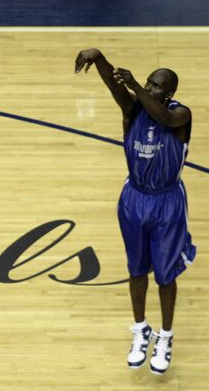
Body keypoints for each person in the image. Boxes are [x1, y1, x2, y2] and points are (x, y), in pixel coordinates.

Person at [75, 48, 196, 375]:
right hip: (134, 198)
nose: (148, 87)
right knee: (137, 269)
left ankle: (166, 336)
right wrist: (99, 58)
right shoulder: (133, 109)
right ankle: (141, 329)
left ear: (168, 93)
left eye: (155, 86)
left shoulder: (180, 114)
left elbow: (165, 118)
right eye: (147, 83)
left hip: (167, 201)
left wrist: (138, 89)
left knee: (165, 275)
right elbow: (117, 88)